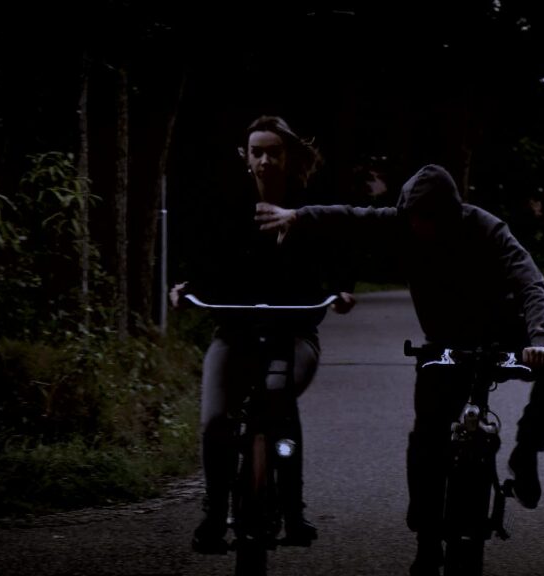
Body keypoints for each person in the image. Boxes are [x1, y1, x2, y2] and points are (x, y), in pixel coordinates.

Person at [255, 164, 544, 576]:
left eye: (431, 218)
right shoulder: (400, 223)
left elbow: (528, 279)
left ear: (450, 213)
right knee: (428, 434)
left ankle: (527, 451)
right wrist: (297, 216)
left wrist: (540, 339)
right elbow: (350, 218)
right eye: (415, 218)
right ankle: (427, 540)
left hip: (503, 333)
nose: (422, 227)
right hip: (444, 344)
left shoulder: (485, 227)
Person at [171, 115, 356, 554]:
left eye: (274, 152)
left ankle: (293, 509)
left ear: (288, 156)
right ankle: (213, 513)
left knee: (278, 399)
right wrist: (185, 288)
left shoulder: (308, 206)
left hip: (295, 332)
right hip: (234, 332)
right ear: (246, 157)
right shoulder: (227, 207)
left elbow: (336, 253)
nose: (266, 161)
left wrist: (341, 290)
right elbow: (207, 261)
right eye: (257, 152)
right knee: (215, 420)